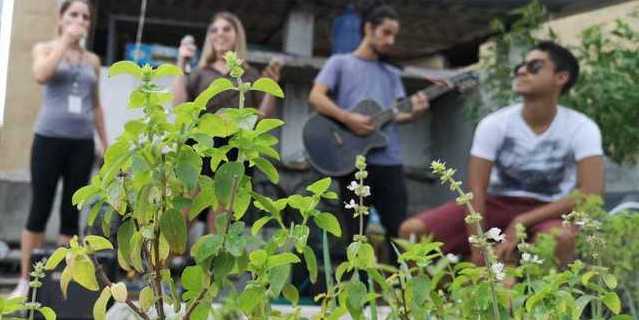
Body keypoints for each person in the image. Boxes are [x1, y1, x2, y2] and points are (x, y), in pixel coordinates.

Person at [399, 41, 604, 267]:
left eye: (535, 66)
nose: (522, 71)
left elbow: (589, 194)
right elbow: (476, 189)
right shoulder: (495, 124)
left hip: (548, 210)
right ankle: (442, 299)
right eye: (520, 66)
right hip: (495, 205)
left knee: (561, 238)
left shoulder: (582, 128)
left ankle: (545, 298)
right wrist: (479, 249)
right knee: (412, 232)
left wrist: (522, 220)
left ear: (561, 77)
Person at [308, 4, 429, 260]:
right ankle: (357, 295)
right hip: (352, 161)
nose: (391, 40)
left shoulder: (392, 74)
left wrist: (416, 110)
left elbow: (400, 113)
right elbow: (316, 97)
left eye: (394, 35)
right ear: (368, 29)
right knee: (355, 236)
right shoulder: (339, 63)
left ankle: (400, 295)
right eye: (386, 33)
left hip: (390, 162)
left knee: (399, 232)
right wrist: (347, 118)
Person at [11, 0, 108, 298]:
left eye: (85, 16)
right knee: (40, 207)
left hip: (81, 144)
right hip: (49, 139)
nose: (80, 20)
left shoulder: (92, 60)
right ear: (61, 18)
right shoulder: (45, 48)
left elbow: (95, 105)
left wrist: (106, 144)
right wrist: (65, 41)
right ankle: (26, 281)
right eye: (74, 15)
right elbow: (41, 74)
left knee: (71, 212)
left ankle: (61, 282)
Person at [172, 12, 281, 233]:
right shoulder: (200, 73)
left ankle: (209, 267)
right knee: (185, 213)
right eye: (214, 30)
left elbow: (263, 118)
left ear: (237, 35)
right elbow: (179, 105)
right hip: (201, 147)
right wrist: (181, 63)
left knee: (220, 220)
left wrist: (270, 86)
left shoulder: (248, 75)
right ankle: (169, 264)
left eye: (226, 29)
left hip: (235, 150)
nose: (219, 34)